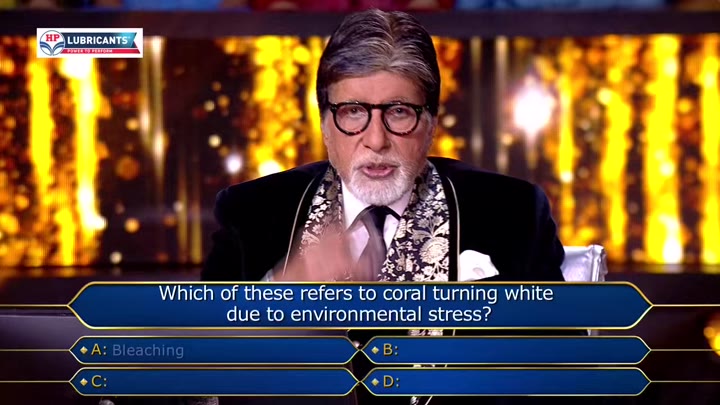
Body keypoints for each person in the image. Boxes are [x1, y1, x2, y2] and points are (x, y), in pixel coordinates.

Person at [203, 8, 577, 405]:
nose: (376, 140)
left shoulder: (513, 213)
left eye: (399, 112)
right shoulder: (251, 213)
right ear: (325, 124)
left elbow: (567, 378)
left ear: (431, 123)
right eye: (353, 112)